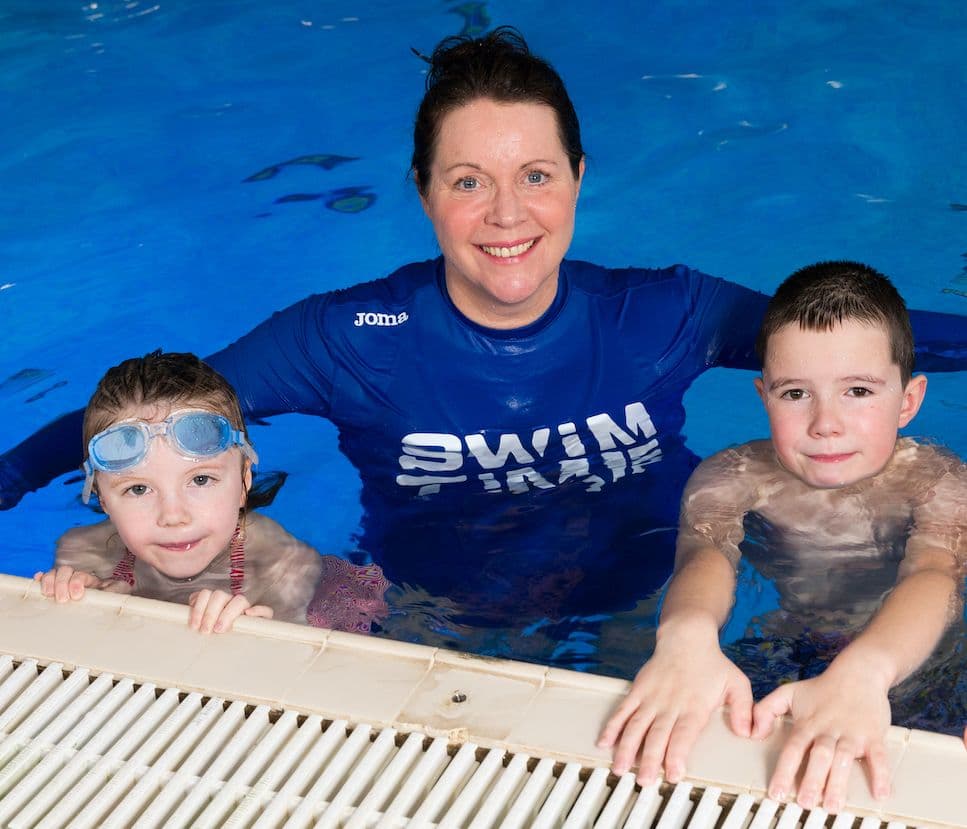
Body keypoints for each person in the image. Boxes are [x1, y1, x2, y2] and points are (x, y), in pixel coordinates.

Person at [3, 30, 966, 670]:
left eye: (536, 175)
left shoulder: (662, 312)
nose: (508, 215)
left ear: (578, 178)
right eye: (469, 180)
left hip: (647, 609)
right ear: (423, 191)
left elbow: (867, 339)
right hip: (427, 623)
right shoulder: (344, 337)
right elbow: (148, 417)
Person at [598, 261, 967, 813]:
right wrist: (688, 638)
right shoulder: (735, 475)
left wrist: (865, 673)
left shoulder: (937, 481)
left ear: (909, 401)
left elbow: (934, 572)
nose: (825, 423)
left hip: (922, 664)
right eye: (795, 394)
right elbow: (705, 553)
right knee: (669, 737)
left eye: (859, 391)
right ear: (763, 395)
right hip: (789, 644)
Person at [36, 351, 388, 634]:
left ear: (244, 482)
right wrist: (78, 606)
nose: (173, 515)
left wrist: (258, 633)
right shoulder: (84, 552)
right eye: (138, 488)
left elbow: (303, 674)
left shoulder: (280, 561)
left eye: (201, 480)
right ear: (101, 498)